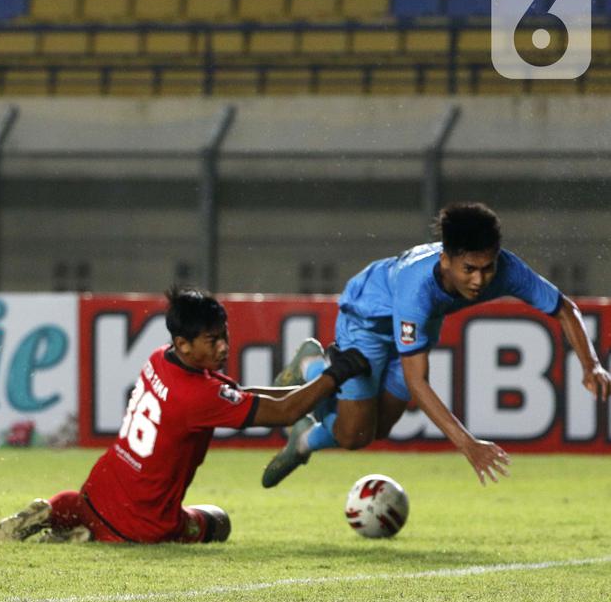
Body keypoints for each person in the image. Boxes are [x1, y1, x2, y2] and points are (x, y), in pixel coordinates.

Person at [262, 202, 611, 489]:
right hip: (367, 321)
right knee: (354, 434)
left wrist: (591, 364)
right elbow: (418, 382)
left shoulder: (507, 270)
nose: (479, 280)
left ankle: (304, 437)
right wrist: (467, 443)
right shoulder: (417, 288)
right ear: (446, 259)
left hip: (419, 329)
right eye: (469, 268)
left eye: (487, 268)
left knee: (377, 429)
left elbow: (565, 308)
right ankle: (312, 367)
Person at [0, 287, 370, 545]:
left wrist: (321, 384)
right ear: (183, 344)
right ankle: (80, 533)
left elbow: (243, 396)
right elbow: (286, 411)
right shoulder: (197, 395)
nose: (223, 347)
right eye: (212, 340)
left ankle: (57, 514)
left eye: (224, 335)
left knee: (79, 506)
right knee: (219, 522)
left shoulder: (160, 358)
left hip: (99, 492)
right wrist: (337, 373)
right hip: (144, 526)